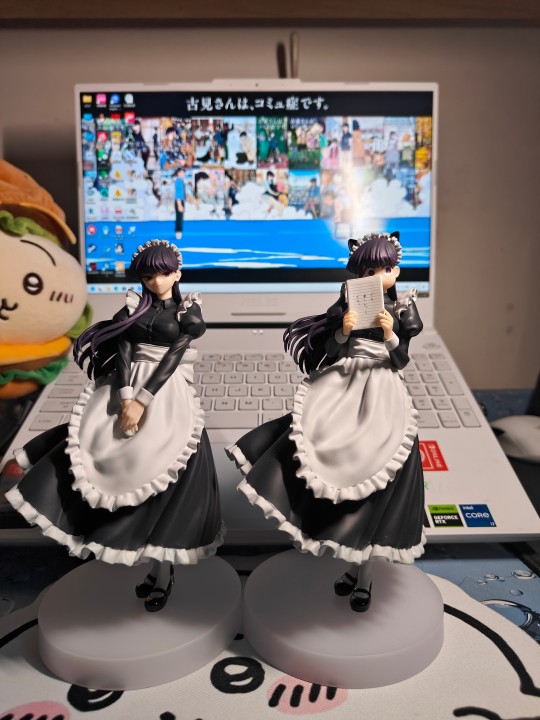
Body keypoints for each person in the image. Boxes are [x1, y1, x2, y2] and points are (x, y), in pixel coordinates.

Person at [6, 240, 224, 613]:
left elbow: (173, 358)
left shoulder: (188, 311)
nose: (157, 282)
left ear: (177, 273)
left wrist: (142, 401)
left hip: (165, 394)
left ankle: (163, 573)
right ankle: (138, 559)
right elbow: (123, 351)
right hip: (126, 386)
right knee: (94, 441)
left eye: (165, 273)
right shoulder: (134, 308)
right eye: (149, 276)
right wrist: (124, 396)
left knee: (165, 484)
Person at [227, 232, 425, 613]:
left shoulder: (403, 310)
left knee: (373, 482)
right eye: (369, 270)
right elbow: (331, 351)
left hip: (382, 394)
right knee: (318, 444)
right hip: (345, 384)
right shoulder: (348, 302)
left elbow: (401, 361)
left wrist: (389, 334)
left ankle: (364, 577)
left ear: (396, 271)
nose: (378, 276)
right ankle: (347, 560)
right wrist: (343, 330)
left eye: (385, 269)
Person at [173, 167, 186, 240]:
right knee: (179, 218)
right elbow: (177, 194)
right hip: (179, 201)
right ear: (178, 173)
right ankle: (178, 233)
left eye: (183, 172)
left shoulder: (180, 181)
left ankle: (179, 233)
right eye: (182, 172)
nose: (183, 174)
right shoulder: (178, 181)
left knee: (180, 218)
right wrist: (179, 204)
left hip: (181, 201)